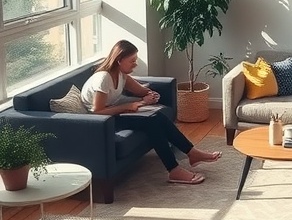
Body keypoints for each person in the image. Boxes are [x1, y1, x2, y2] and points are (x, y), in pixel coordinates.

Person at [81, 40, 221, 185]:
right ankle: (175, 169)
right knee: (152, 123)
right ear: (119, 60)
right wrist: (129, 105)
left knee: (157, 118)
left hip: (111, 115)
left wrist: (151, 95)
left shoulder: (121, 75)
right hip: (98, 124)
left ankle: (191, 154)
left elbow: (142, 90)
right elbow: (97, 111)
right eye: (132, 61)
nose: (135, 64)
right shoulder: (104, 78)